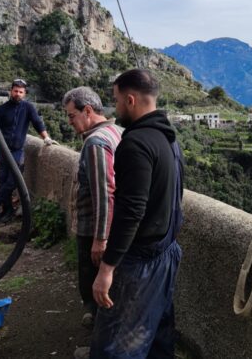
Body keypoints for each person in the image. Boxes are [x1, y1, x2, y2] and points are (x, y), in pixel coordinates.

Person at [88, 69, 184, 359]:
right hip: (166, 253)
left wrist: (106, 268)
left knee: (115, 347)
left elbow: (131, 211)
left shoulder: (135, 143)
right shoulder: (170, 139)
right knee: (157, 337)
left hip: (141, 263)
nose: (115, 108)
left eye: (116, 100)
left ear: (130, 100)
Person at [62, 87, 123, 329]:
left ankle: (101, 338)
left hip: (93, 229)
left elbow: (105, 193)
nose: (69, 122)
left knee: (96, 286)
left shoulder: (96, 143)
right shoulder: (115, 131)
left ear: (87, 110)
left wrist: (100, 239)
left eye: (71, 115)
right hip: (101, 228)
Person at [0, 78, 56, 223]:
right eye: (15, 91)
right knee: (4, 182)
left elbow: (37, 123)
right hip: (1, 151)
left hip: (17, 151)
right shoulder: (1, 110)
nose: (17, 94)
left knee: (13, 182)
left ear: (24, 94)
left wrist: (46, 138)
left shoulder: (28, 108)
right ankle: (6, 212)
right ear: (10, 91)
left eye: (21, 92)